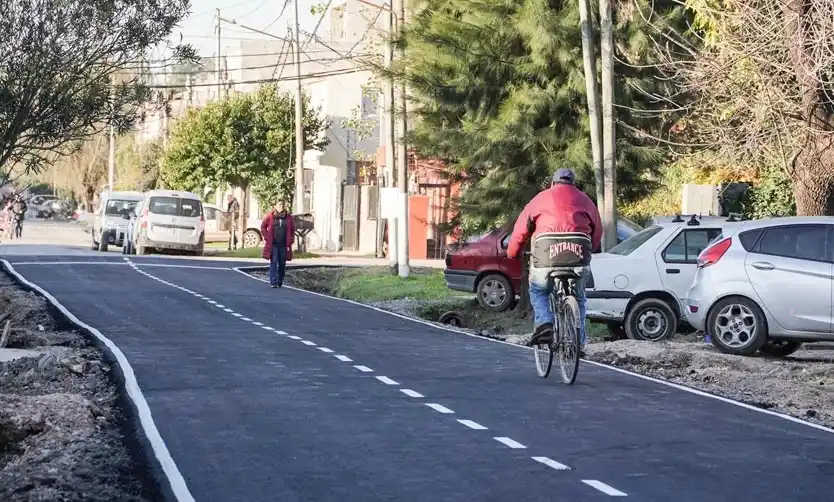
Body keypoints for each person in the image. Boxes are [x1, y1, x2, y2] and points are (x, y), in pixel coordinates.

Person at [506, 168, 602, 355]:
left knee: (538, 290)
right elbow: (597, 230)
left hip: (546, 254)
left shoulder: (541, 198)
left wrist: (512, 252)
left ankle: (545, 324)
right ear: (573, 183)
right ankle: (579, 343)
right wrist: (593, 248)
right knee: (580, 297)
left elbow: (521, 229)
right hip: (578, 255)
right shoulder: (585, 199)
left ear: (553, 183)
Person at [260, 200, 295, 288]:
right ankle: (273, 281)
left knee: (282, 263)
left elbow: (292, 230)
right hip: (274, 244)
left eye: (282, 204)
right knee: (274, 262)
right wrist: (267, 237)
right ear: (275, 206)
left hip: (284, 244)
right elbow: (263, 227)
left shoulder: (289, 217)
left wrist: (291, 239)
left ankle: (280, 280)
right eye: (279, 204)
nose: (281, 206)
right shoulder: (270, 216)